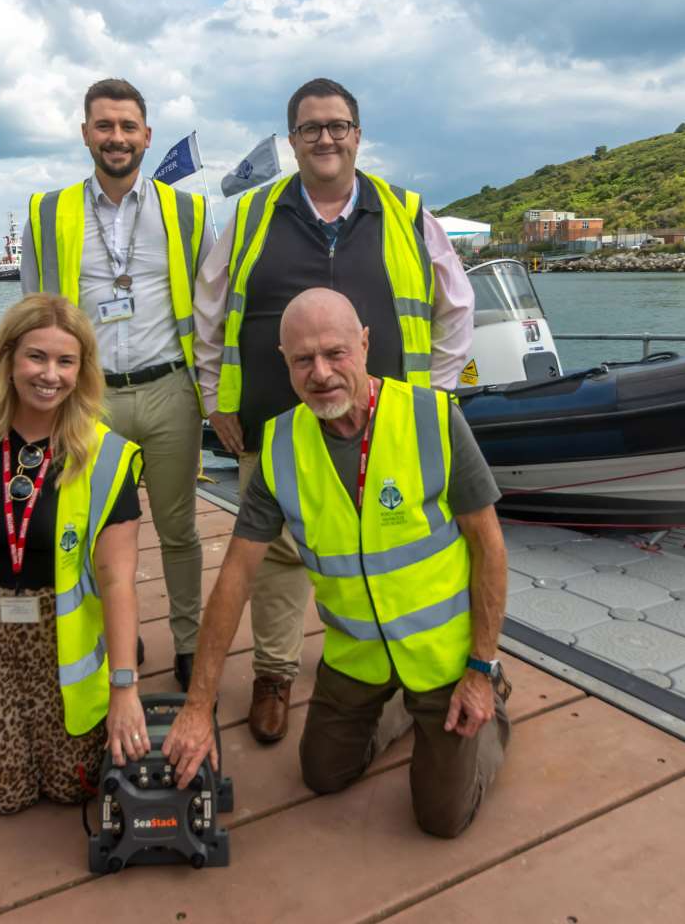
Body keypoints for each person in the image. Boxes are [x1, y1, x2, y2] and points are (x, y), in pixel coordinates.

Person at [166, 288, 509, 839]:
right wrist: (198, 706)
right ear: (285, 362)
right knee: (323, 774)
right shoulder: (278, 447)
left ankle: (493, 707)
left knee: (442, 819)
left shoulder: (433, 419)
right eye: (303, 359)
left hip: (446, 657)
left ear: (366, 344)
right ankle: (403, 708)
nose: (320, 373)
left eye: (336, 353)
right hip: (357, 658)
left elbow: (489, 549)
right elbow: (235, 577)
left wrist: (481, 667)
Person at [193, 77, 476, 742]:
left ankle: (404, 670)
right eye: (311, 127)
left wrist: (435, 396)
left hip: (391, 426)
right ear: (292, 140)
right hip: (274, 417)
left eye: (338, 125)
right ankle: (274, 674)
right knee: (278, 557)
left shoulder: (405, 213)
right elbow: (208, 312)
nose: (325, 138)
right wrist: (215, 396)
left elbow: (456, 307)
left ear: (357, 134)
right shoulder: (249, 216)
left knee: (396, 544)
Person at [0, 293, 149, 814]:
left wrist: (124, 687)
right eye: (37, 357)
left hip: (58, 629)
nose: (50, 375)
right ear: (9, 357)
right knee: (4, 793)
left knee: (71, 787)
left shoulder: (106, 456)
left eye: (66, 361)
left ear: (82, 371)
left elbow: (118, 579)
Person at [22, 77, 211, 692]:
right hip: (89, 399)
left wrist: (214, 394)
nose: (117, 138)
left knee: (179, 528)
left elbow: (210, 311)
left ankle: (188, 642)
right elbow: (32, 311)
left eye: (128, 127)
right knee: (92, 530)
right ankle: (115, 635)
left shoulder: (187, 212)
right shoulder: (48, 213)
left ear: (147, 136)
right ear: (85, 133)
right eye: (104, 126)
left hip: (168, 391)